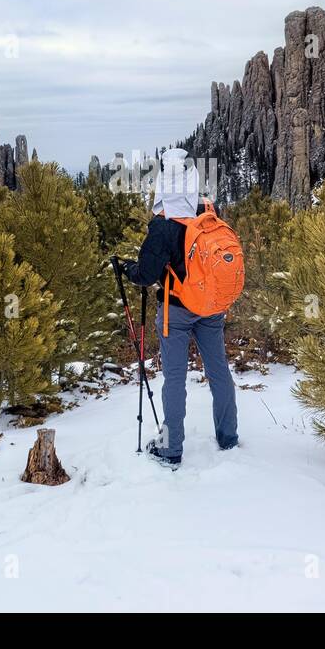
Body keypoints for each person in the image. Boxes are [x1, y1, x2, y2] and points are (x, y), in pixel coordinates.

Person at [124, 148, 238, 468]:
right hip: (211, 306)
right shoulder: (207, 210)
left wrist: (128, 272)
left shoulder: (162, 224)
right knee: (218, 371)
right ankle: (228, 436)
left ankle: (172, 448)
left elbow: (146, 275)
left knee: (175, 377)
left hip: (176, 310)